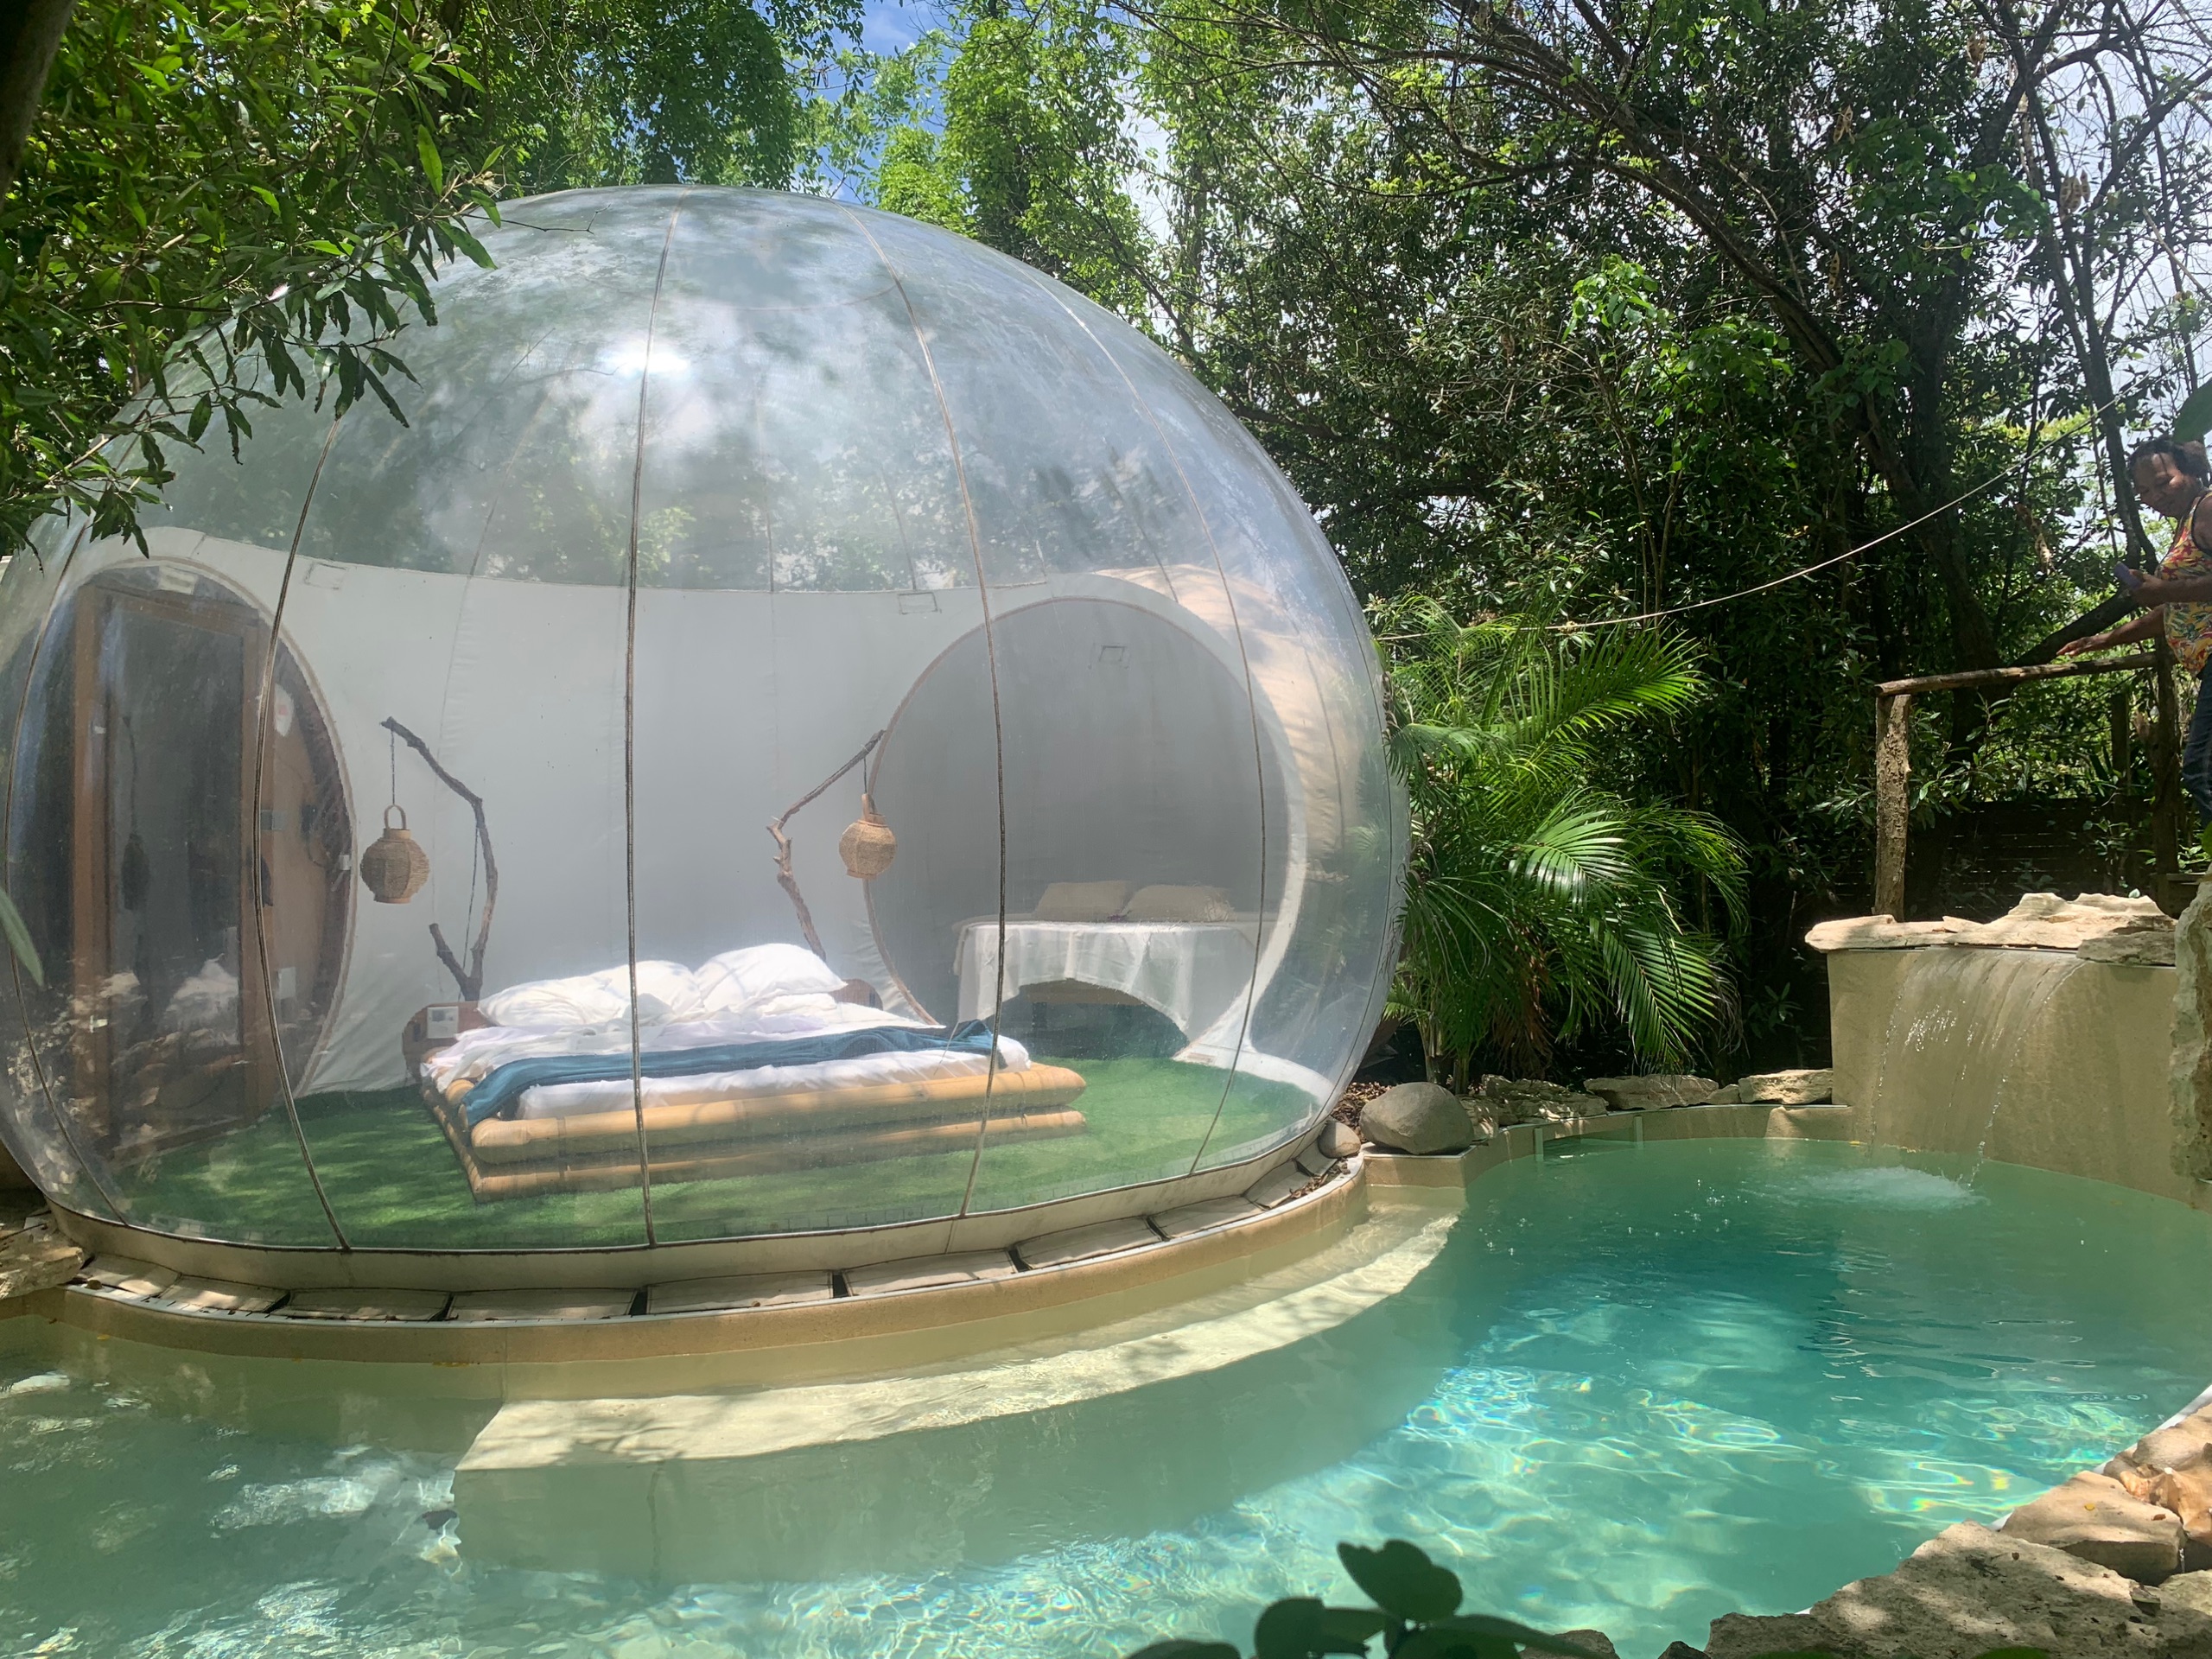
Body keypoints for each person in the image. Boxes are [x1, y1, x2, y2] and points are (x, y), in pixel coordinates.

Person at [2060, 438, 2212, 815]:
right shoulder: (2187, 523)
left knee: (2202, 772)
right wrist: (2104, 639)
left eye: (2163, 482)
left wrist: (2164, 590)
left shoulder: (2208, 508)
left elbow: (2172, 597)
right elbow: (2176, 611)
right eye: (2144, 491)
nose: (2154, 496)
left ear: (2190, 472)